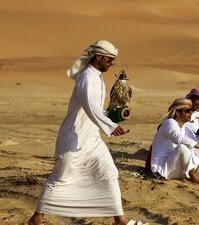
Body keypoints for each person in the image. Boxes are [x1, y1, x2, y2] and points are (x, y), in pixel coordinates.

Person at [28, 40, 146, 225]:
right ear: (98, 56)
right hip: (73, 138)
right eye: (109, 59)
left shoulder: (96, 77)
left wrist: (112, 114)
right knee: (61, 178)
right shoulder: (87, 77)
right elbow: (89, 106)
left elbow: (95, 109)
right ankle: (37, 218)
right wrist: (110, 125)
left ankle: (120, 219)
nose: (111, 63)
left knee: (108, 172)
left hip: (91, 139)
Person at [150, 98, 199, 184]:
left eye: (191, 111)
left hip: (176, 169)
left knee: (198, 151)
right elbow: (178, 138)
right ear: (177, 113)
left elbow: (198, 147)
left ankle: (196, 173)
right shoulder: (169, 123)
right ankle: (194, 178)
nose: (190, 114)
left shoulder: (186, 128)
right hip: (162, 169)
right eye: (187, 111)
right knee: (182, 147)